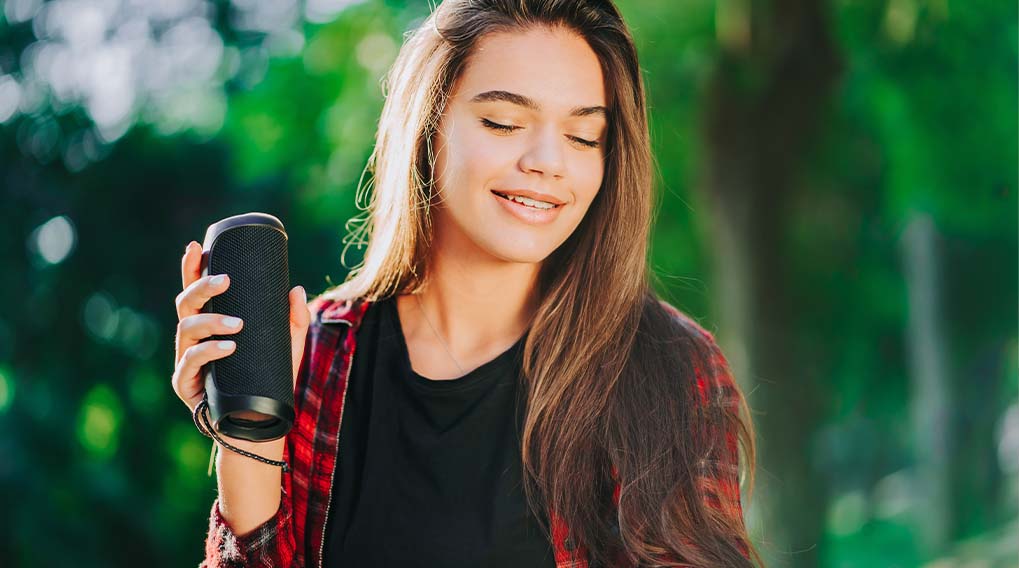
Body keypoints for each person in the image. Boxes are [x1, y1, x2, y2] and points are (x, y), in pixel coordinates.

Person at [172, 1, 761, 566]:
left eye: (584, 137)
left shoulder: (667, 367)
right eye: (504, 122)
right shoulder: (313, 359)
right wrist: (247, 433)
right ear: (428, 128)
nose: (548, 162)